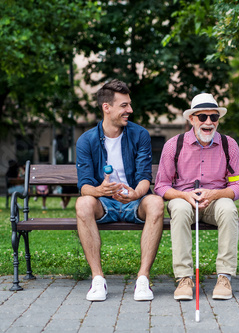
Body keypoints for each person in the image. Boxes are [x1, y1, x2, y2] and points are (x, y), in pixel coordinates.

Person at [75, 79, 164, 302]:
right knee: (83, 203)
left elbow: (145, 177)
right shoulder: (86, 140)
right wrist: (99, 190)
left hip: (134, 200)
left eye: (129, 105)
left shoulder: (139, 134)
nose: (130, 110)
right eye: (124, 105)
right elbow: (84, 186)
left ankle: (143, 280)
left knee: (156, 202)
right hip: (104, 202)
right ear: (107, 107)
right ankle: (98, 280)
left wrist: (136, 193)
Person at [154, 93, 239, 301]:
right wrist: (184, 195)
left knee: (228, 207)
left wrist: (216, 194)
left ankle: (224, 277)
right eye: (202, 117)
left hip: (215, 201)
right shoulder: (174, 145)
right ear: (191, 119)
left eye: (214, 117)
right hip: (184, 199)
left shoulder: (228, 144)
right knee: (177, 207)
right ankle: (184, 278)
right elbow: (161, 186)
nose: (208, 122)